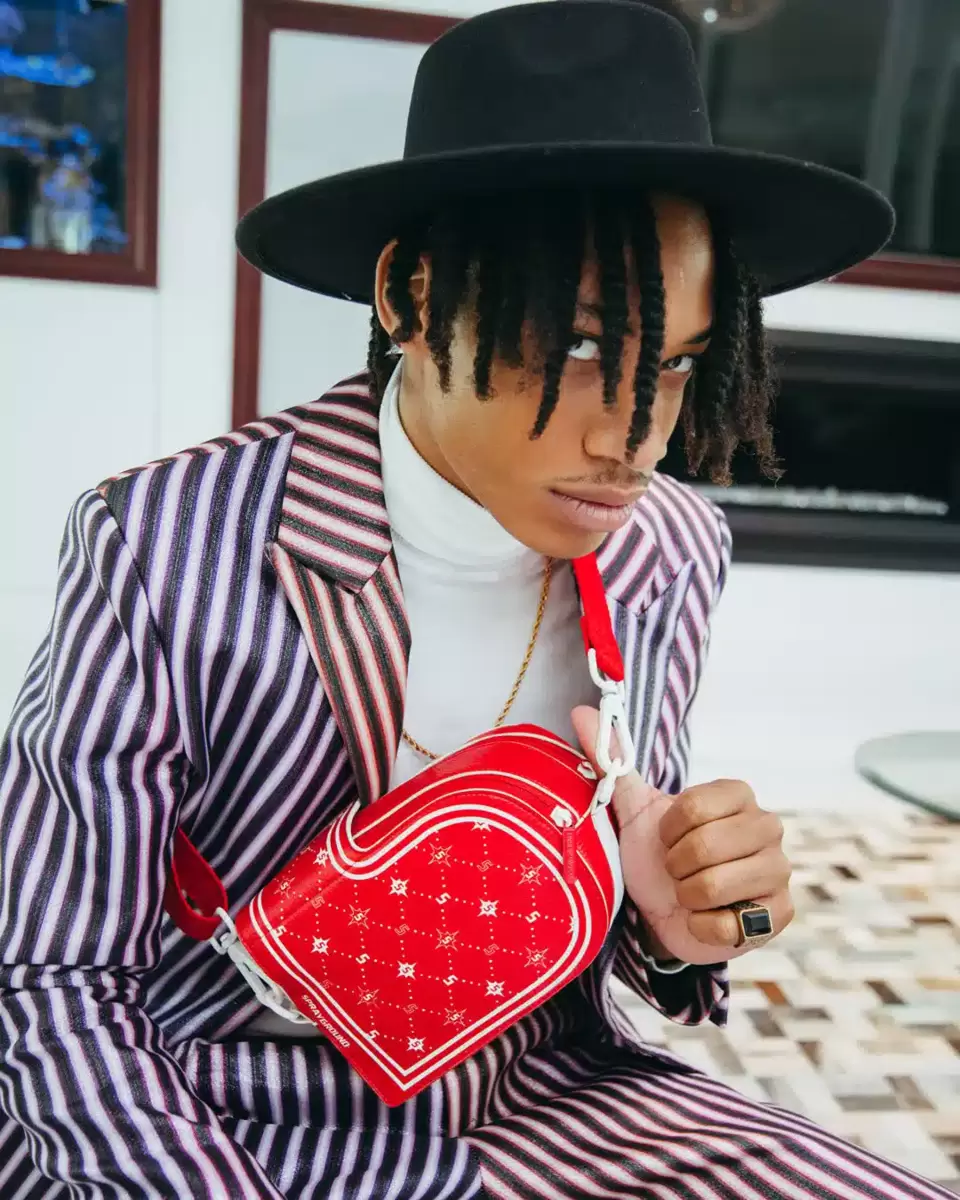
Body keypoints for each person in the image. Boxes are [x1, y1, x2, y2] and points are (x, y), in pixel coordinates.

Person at [0, 3, 945, 1197]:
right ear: (412, 297)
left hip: (544, 1091)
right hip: (214, 1104)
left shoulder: (669, 549)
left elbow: (596, 899)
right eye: (585, 347)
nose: (634, 439)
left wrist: (673, 917)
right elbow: (52, 978)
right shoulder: (167, 542)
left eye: (677, 363)